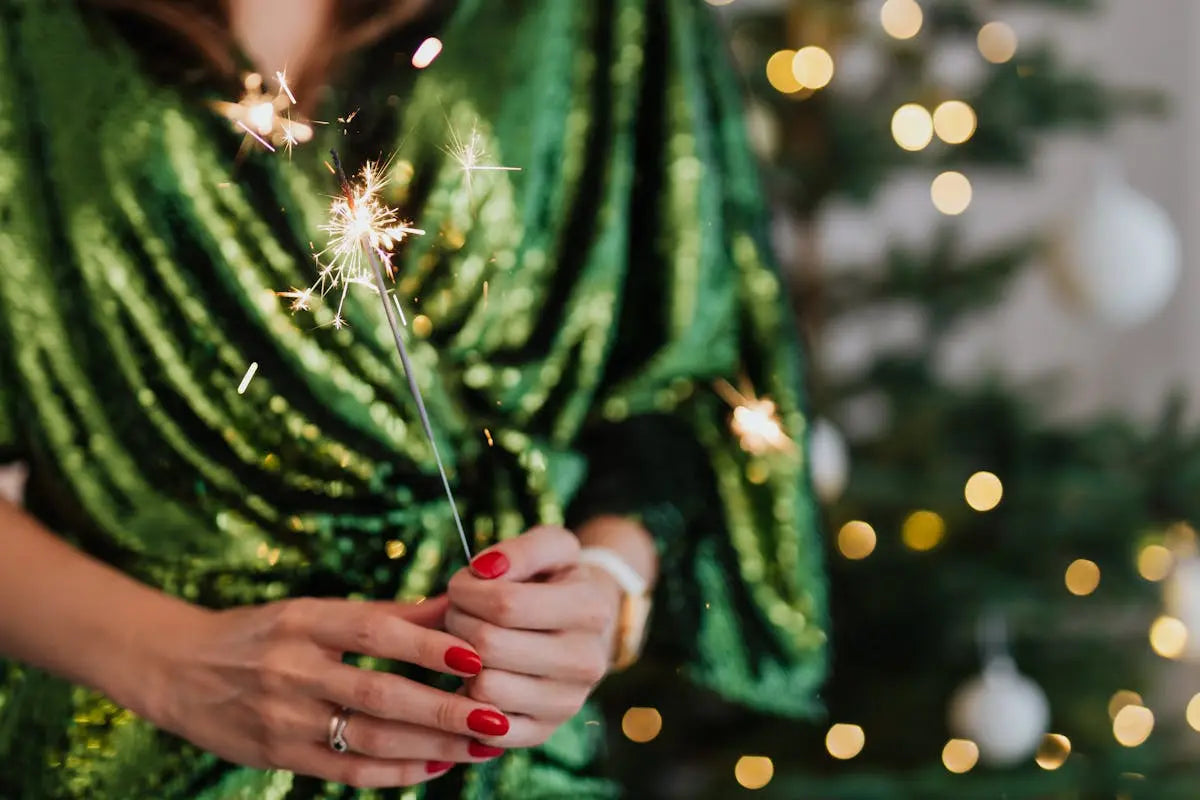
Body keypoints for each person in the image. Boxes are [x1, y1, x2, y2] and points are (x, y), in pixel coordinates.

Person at [0, 0, 828, 797]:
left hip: (503, 763)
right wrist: (173, 662)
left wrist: (602, 590)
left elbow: (690, 369)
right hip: (116, 750)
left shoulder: (604, 20)